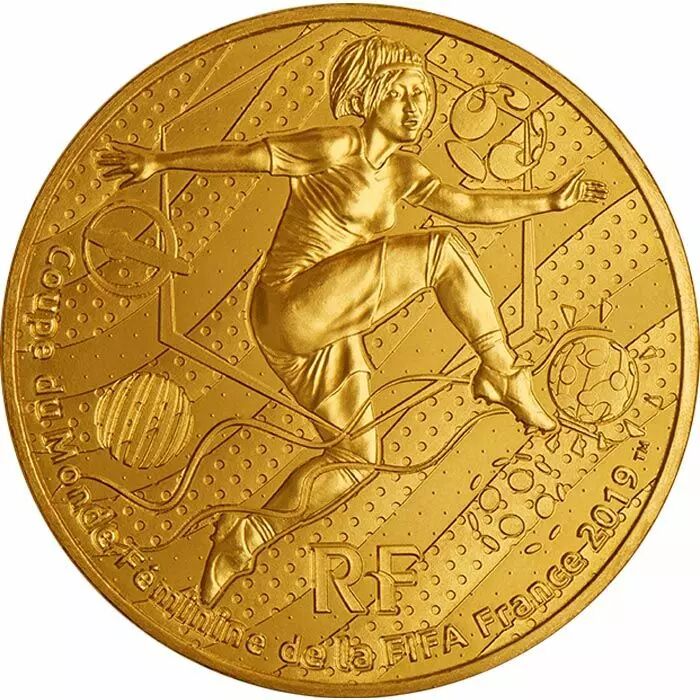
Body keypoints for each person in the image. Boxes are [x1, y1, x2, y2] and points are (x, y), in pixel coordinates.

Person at [97, 35, 607, 605]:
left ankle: (247, 535)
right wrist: (160, 162)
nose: (415, 107)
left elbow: (468, 205)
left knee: (356, 460)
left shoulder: (405, 172)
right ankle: (503, 374)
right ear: (366, 97)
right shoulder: (336, 145)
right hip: (292, 304)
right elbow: (249, 155)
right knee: (441, 252)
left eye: (423, 95)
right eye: (400, 94)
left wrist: (550, 202)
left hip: (320, 334)